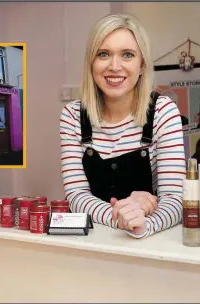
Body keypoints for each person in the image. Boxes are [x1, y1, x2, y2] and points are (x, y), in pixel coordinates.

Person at [60, 14, 185, 239]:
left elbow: (175, 200)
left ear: (141, 65)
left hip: (150, 245)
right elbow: (76, 195)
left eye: (127, 55)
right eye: (103, 54)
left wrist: (144, 225)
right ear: (91, 63)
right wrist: (122, 216)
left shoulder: (163, 112)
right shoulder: (72, 116)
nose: (114, 66)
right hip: (93, 246)